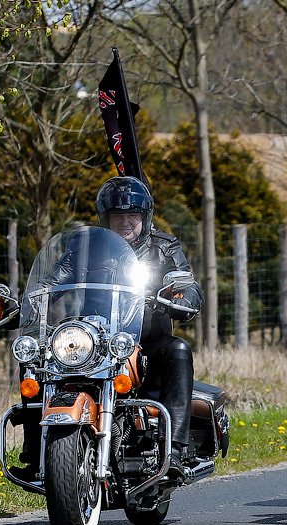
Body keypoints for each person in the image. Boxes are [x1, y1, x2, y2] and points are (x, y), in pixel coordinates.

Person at [96, 176, 204, 478]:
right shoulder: (86, 249)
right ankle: (35, 450)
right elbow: (57, 281)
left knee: (179, 350)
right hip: (95, 343)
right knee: (36, 359)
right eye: (118, 215)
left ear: (145, 217)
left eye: (133, 214)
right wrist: (31, 301)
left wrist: (183, 298)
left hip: (147, 343)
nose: (126, 221)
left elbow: (188, 282)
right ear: (106, 218)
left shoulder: (164, 247)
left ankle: (176, 449)